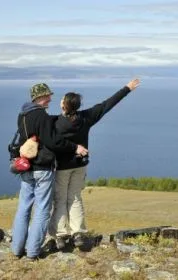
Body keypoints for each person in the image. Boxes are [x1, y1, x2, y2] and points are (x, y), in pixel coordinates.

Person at [49, 78, 141, 249]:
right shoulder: (86, 117)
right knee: (75, 197)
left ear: (64, 106)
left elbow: (50, 139)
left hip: (62, 167)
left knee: (60, 199)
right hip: (80, 165)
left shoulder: (55, 124)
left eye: (62, 99)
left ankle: (61, 236)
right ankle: (78, 234)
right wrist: (127, 88)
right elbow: (108, 104)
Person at [11, 83, 88, 261]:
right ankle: (32, 252)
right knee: (42, 210)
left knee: (23, 208)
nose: (50, 99)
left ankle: (16, 249)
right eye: (47, 96)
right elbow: (53, 142)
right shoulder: (42, 116)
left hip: (26, 168)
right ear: (39, 98)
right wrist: (74, 147)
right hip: (42, 169)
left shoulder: (22, 115)